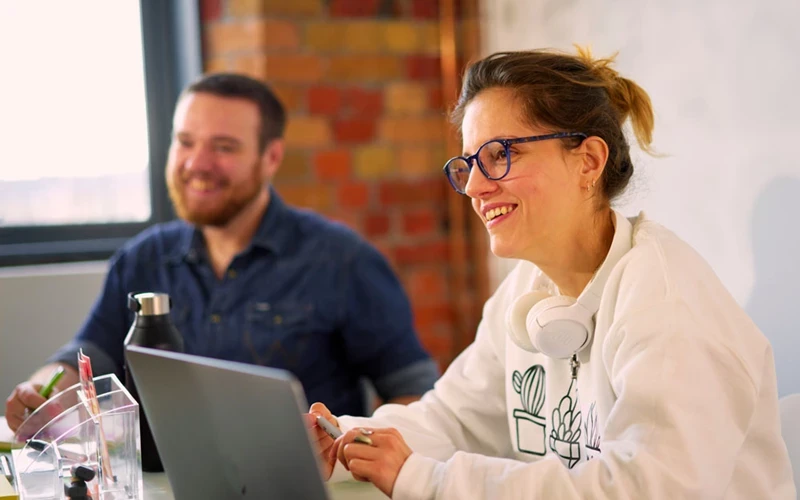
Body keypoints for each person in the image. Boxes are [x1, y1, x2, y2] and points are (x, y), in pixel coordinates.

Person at [305, 48, 797, 499]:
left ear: (588, 162)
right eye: (469, 163)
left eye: (501, 155)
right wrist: (347, 440)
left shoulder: (667, 302)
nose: (475, 186)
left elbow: (648, 489)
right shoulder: (526, 290)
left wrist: (426, 479)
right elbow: (453, 418)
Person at [5, 73, 439, 430]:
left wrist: (354, 452)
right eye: (186, 141)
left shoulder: (343, 260)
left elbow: (416, 394)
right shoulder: (142, 259)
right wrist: (40, 392)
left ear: (271, 157)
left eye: (224, 147)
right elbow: (85, 355)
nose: (197, 163)